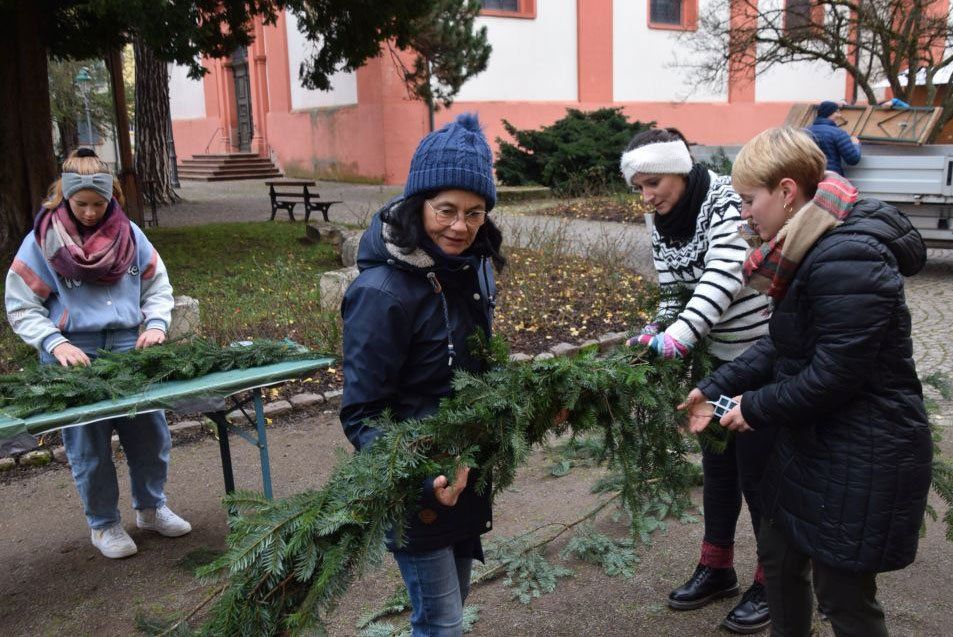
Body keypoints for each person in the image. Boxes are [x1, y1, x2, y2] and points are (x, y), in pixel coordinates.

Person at [681, 127, 932, 637]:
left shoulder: (848, 254)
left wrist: (753, 407)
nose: (745, 213)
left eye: (750, 200)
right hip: (813, 443)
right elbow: (783, 342)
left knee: (843, 597)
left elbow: (835, 373)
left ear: (788, 191)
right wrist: (714, 385)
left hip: (863, 450)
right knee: (779, 562)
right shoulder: (809, 243)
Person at [340, 113, 505, 637]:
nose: (461, 226)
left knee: (451, 608)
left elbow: (472, 368)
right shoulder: (381, 293)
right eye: (446, 210)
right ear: (418, 206)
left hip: (466, 472)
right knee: (441, 622)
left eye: (475, 213)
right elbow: (363, 414)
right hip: (418, 483)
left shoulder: (472, 268)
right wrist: (422, 472)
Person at [619, 128, 775, 634]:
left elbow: (724, 275)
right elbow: (673, 289)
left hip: (758, 359)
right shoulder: (658, 218)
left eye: (654, 183)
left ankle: (772, 579)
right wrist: (655, 330)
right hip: (713, 361)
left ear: (681, 169)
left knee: (760, 473)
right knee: (719, 467)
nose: (646, 197)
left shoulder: (726, 199)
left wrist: (679, 338)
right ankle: (717, 566)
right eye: (638, 187)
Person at [4, 148, 190, 559]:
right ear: (63, 198)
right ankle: (104, 525)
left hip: (128, 348)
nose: (89, 212)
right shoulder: (40, 243)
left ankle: (151, 507)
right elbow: (21, 305)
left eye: (98, 204)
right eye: (80, 204)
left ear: (112, 200)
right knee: (88, 446)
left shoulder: (131, 236)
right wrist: (56, 342)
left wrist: (156, 325)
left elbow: (157, 286)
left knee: (150, 435)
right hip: (74, 355)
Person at [807, 100, 861, 176]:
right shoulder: (838, 133)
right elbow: (853, 159)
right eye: (837, 112)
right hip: (830, 178)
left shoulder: (804, 132)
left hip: (808, 177)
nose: (840, 115)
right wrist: (855, 144)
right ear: (830, 113)